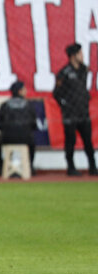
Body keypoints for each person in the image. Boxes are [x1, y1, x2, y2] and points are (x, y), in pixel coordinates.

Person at [53, 43, 97, 176]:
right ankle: (71, 167)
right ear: (73, 56)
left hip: (83, 112)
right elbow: (56, 93)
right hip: (70, 113)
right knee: (70, 142)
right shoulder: (64, 73)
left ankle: (92, 166)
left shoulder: (84, 70)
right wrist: (64, 104)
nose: (82, 56)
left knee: (88, 142)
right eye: (80, 54)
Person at [0, 81, 38, 175]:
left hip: (7, 137)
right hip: (26, 137)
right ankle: (30, 166)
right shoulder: (28, 105)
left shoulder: (5, 105)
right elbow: (34, 125)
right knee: (32, 141)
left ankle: (1, 167)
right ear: (20, 91)